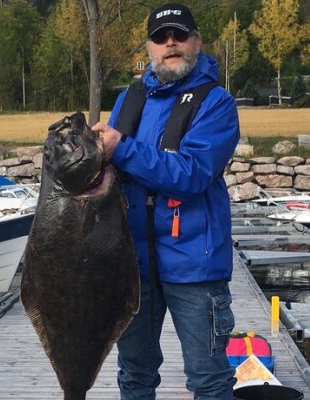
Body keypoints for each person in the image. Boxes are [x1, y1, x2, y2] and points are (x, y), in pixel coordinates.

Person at [91, 3, 240, 399]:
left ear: (197, 42)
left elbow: (191, 174)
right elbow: (110, 171)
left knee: (208, 378)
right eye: (160, 37)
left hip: (195, 266)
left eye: (179, 34)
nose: (169, 42)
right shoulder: (129, 98)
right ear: (150, 47)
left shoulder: (217, 102)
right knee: (134, 375)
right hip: (132, 266)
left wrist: (120, 148)